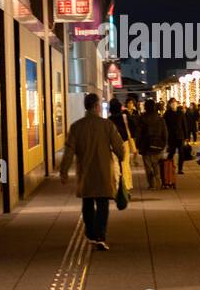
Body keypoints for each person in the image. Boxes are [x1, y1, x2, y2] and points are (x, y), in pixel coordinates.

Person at [60, 93, 125, 250]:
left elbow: (69, 151)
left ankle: (90, 233)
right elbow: (119, 147)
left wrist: (64, 171)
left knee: (87, 203)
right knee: (103, 204)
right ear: (96, 106)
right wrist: (121, 156)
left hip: (85, 172)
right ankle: (100, 236)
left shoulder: (76, 127)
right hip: (103, 171)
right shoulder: (107, 125)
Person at [137, 99, 168, 189]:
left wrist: (138, 145)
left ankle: (151, 184)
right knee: (156, 164)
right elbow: (165, 133)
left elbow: (138, 133)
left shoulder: (142, 118)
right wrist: (164, 144)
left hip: (145, 146)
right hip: (158, 145)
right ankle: (158, 182)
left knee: (148, 166)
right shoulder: (160, 119)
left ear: (146, 107)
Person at [108, 97, 135, 196]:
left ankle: (117, 187)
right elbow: (133, 129)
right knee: (125, 164)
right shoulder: (125, 117)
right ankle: (126, 186)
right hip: (125, 144)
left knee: (115, 165)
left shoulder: (108, 120)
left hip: (112, 145)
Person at [164, 97, 189, 174]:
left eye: (175, 102)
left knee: (181, 153)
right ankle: (168, 167)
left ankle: (180, 169)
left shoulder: (180, 112)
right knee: (171, 152)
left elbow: (184, 124)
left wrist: (186, 136)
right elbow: (165, 126)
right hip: (171, 137)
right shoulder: (167, 113)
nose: (174, 104)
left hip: (180, 136)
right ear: (169, 104)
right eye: (172, 102)